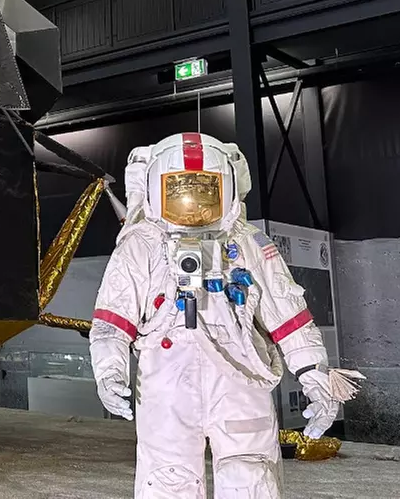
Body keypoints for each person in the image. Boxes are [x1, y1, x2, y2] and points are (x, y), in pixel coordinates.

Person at [89, 133, 360, 498]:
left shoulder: (249, 243)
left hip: (240, 374)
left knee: (249, 476)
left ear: (228, 188)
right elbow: (112, 320)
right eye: (180, 190)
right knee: (168, 480)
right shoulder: (140, 245)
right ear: (154, 189)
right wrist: (109, 372)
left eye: (205, 191)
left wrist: (314, 375)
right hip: (168, 381)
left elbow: (288, 314)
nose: (192, 204)